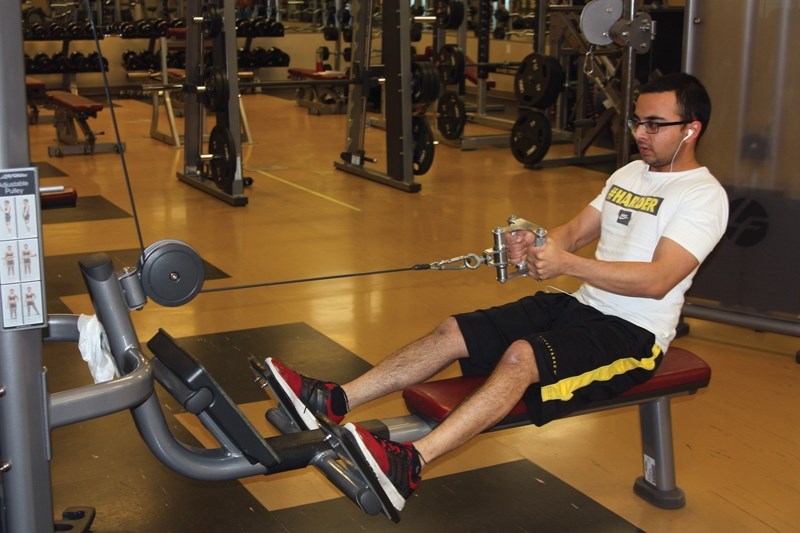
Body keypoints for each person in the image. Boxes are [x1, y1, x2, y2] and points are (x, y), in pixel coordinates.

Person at [263, 73, 729, 514]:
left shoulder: (701, 196)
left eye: (653, 124)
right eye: (636, 121)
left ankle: (409, 465)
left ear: (691, 130)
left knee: (521, 357)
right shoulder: (629, 173)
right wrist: (538, 242)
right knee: (454, 330)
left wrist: (568, 264)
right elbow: (572, 233)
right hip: (582, 303)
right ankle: (332, 401)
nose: (639, 133)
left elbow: (658, 279)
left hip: (633, 333)